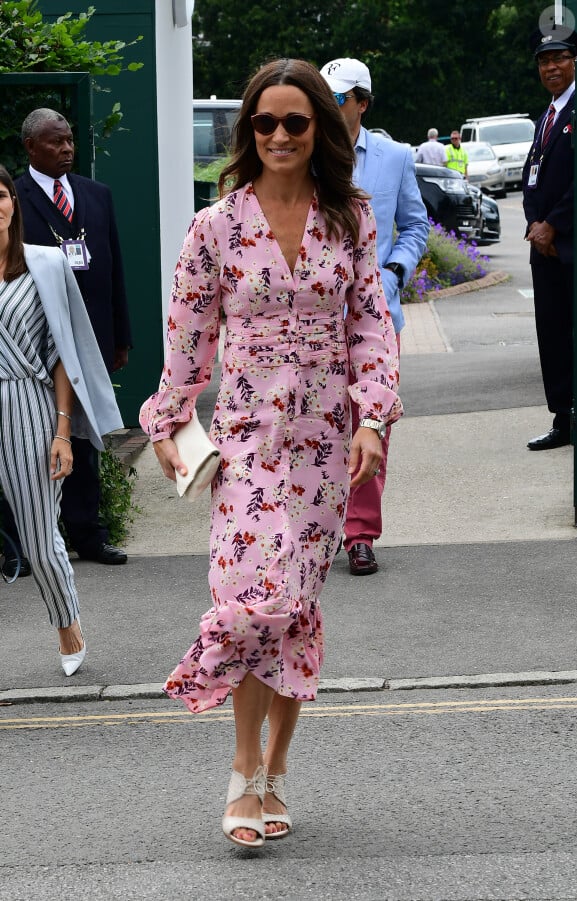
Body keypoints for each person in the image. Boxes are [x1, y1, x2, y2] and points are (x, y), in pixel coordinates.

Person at [140, 58, 402, 848]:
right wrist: (168, 419)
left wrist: (372, 420)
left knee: (296, 605)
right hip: (248, 443)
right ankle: (240, 765)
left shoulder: (349, 218)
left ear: (319, 126)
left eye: (295, 121)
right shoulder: (214, 227)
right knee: (249, 599)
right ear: (247, 131)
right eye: (265, 123)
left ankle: (274, 770)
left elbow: (371, 327)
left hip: (325, 441)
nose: (280, 135)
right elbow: (187, 338)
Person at [0, 164, 123, 673]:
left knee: (39, 538)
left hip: (26, 406)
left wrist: (62, 431)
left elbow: (62, 354)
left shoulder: (45, 264)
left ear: (12, 202)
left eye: (0, 194)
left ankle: (68, 626)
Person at [0, 108, 131, 573]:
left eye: (70, 140)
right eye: (55, 142)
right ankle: (27, 542)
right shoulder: (14, 196)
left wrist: (120, 335)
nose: (67, 148)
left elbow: (113, 266)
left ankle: (88, 534)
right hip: (37, 344)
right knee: (34, 441)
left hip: (90, 335)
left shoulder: (97, 195)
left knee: (85, 438)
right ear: (31, 148)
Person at [320, 57, 429, 575]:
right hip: (314, 320)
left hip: (378, 317)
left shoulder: (394, 156)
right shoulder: (299, 151)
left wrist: (393, 270)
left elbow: (414, 224)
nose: (328, 104)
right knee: (317, 426)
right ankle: (313, 528)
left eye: (338, 97)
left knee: (372, 425)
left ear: (362, 102)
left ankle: (360, 534)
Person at [523, 28, 577, 450]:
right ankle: (564, 418)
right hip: (544, 247)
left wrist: (555, 225)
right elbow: (533, 179)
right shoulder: (547, 115)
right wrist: (533, 225)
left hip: (570, 242)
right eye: (544, 61)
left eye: (559, 58)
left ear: (574, 61)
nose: (551, 67)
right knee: (552, 334)